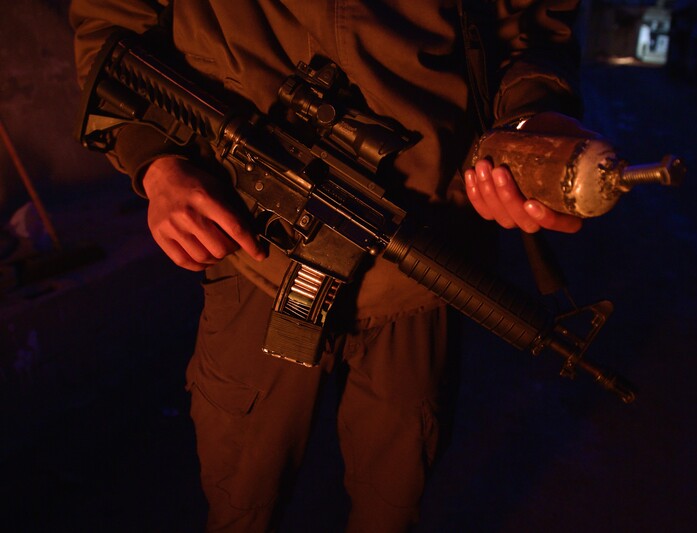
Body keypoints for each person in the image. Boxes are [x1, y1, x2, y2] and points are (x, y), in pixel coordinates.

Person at [69, 1, 588, 531]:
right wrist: (154, 160)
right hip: (256, 254)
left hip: (422, 258)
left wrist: (535, 121)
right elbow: (110, 28)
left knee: (392, 504)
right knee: (242, 500)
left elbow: (532, 29)